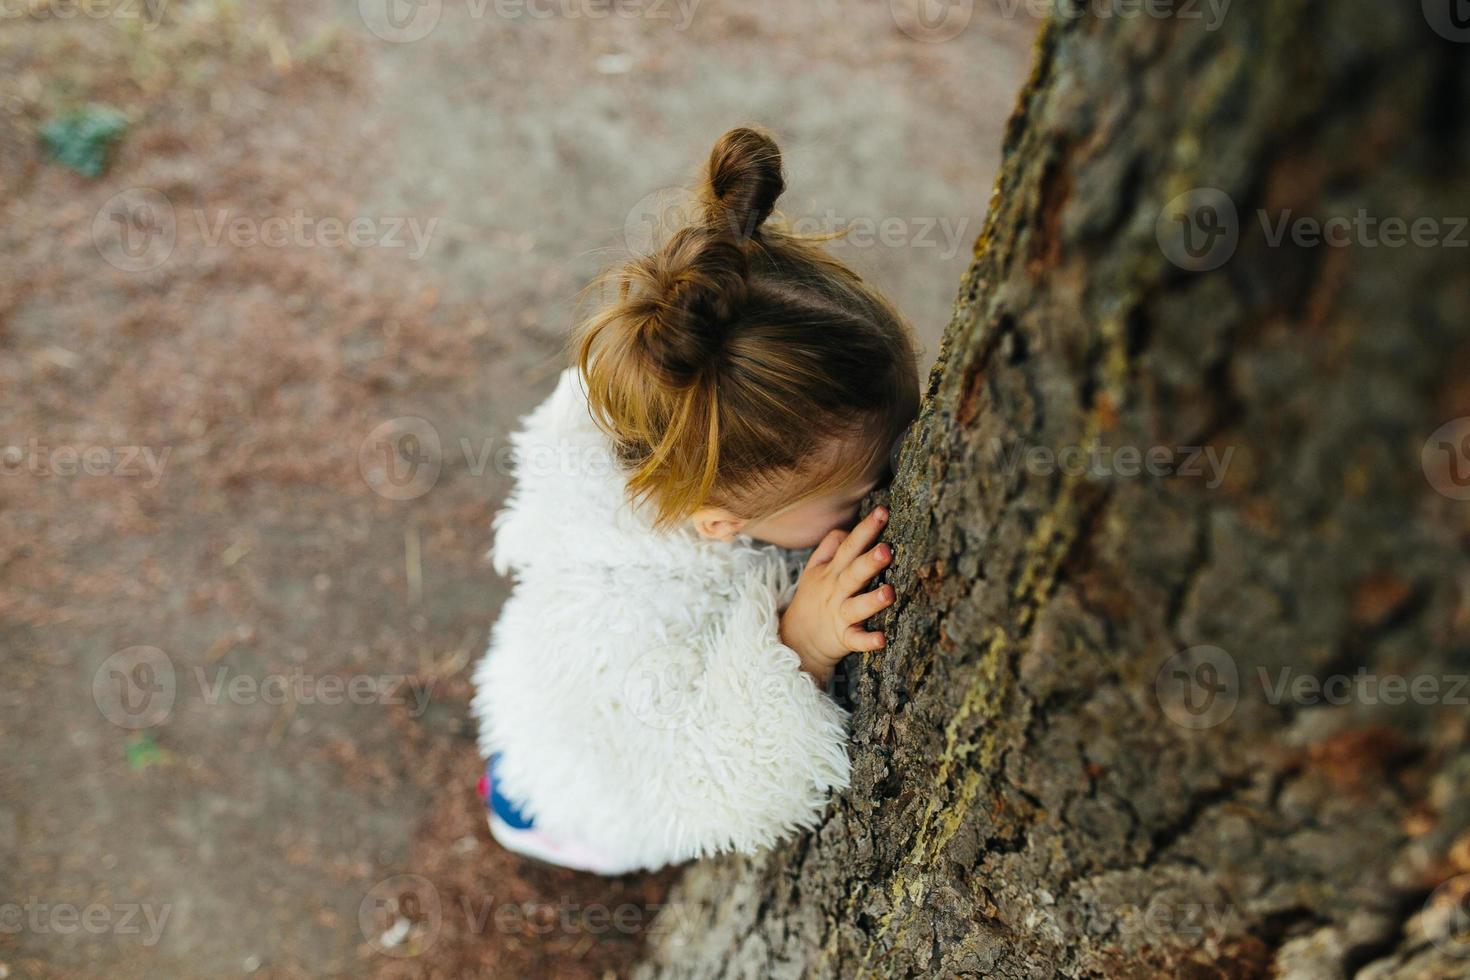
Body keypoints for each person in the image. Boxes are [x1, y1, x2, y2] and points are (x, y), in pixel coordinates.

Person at [472, 126, 920, 874]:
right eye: (857, 495)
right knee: (568, 796)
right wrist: (797, 648)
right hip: (577, 771)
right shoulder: (618, 629)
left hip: (548, 684)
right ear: (723, 524)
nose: (889, 493)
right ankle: (518, 814)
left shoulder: (671, 401)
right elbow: (702, 775)